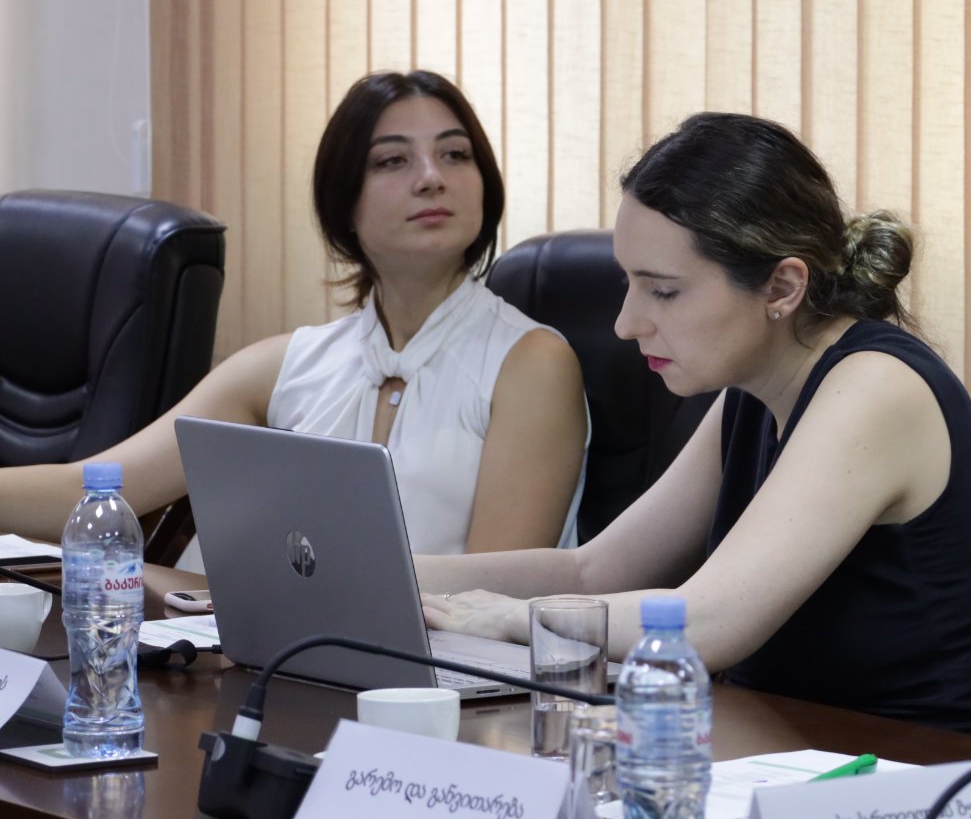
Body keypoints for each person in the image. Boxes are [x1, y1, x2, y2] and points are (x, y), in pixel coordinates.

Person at [417, 112, 971, 738]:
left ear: (783, 287)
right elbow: (594, 572)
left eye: (663, 292)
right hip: (796, 753)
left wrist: (514, 618)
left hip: (937, 773)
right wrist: (394, 574)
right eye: (629, 283)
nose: (626, 323)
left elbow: (707, 622)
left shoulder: (875, 387)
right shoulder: (757, 388)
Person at [0, 70, 588, 560]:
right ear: (343, 202)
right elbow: (94, 491)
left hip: (447, 669)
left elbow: (489, 594)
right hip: (274, 655)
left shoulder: (532, 364)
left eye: (455, 154)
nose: (432, 178)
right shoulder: (285, 364)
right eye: (392, 161)